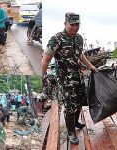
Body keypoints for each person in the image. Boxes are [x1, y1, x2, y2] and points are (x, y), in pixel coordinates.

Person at [42, 12, 96, 145]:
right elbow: (46, 60)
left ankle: (76, 122)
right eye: (72, 25)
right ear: (65, 23)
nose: (75, 27)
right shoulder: (56, 39)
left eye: (77, 24)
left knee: (79, 102)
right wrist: (42, 76)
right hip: (65, 81)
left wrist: (90, 66)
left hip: (78, 77)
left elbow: (80, 55)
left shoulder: (79, 38)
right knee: (70, 106)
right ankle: (71, 132)